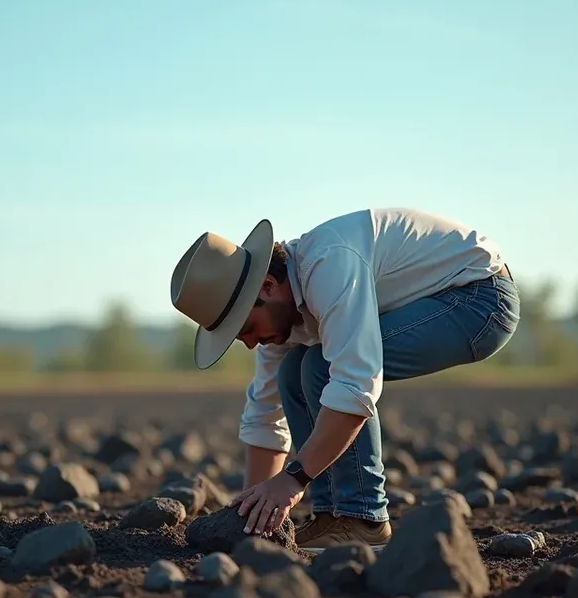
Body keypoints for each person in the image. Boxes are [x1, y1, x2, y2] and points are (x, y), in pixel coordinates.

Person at [169, 207, 520, 553]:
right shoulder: (279, 315)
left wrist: (291, 480)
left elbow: (355, 385)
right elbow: (265, 412)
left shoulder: (328, 267)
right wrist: (250, 516)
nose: (248, 343)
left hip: (479, 297)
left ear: (267, 285)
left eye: (245, 329)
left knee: (322, 367)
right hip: (437, 298)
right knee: (293, 371)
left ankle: (362, 518)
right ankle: (332, 516)